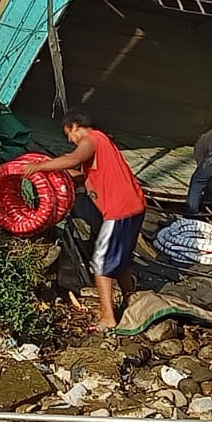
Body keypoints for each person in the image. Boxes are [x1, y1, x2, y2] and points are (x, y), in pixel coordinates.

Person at [27, 112, 147, 333]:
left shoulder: (93, 139)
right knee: (119, 258)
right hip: (134, 206)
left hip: (119, 210)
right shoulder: (103, 147)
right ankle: (131, 297)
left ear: (75, 126)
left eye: (69, 135)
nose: (70, 141)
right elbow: (82, 176)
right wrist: (57, 172)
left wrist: (39, 167)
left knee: (100, 262)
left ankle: (108, 319)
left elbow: (73, 159)